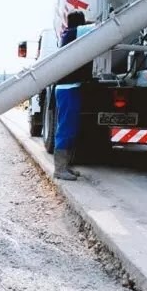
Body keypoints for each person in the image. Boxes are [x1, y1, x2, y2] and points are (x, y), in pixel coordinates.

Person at [53, 10, 94, 181]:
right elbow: (96, 28)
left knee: (71, 128)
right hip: (67, 89)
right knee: (66, 128)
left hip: (70, 88)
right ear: (80, 23)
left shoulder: (71, 34)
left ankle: (65, 166)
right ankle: (60, 169)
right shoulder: (72, 33)